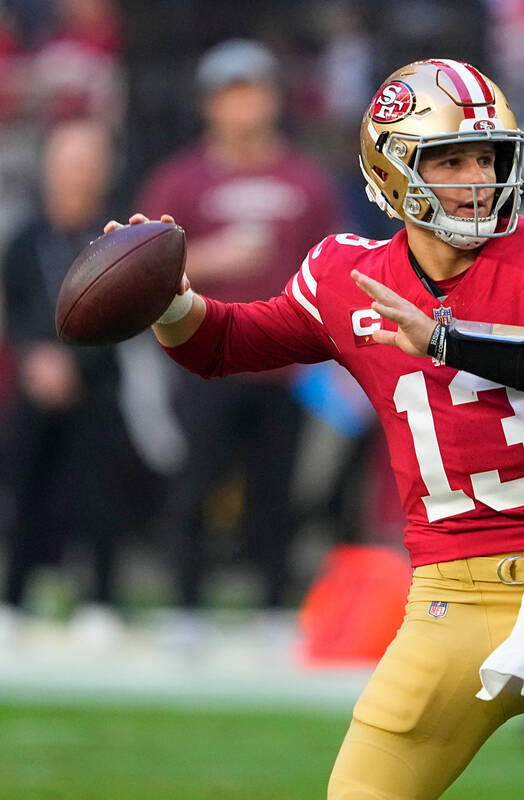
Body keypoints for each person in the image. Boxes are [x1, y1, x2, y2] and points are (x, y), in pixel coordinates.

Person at [110, 58, 524, 800]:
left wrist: (442, 338)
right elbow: (224, 344)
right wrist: (168, 300)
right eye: (451, 159)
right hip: (448, 603)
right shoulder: (347, 275)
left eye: (487, 157)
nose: (476, 177)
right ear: (394, 170)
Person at [136, 39, 342, 616]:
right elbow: (135, 269)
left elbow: (336, 266)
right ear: (210, 105)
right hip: (204, 356)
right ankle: (185, 606)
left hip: (285, 364)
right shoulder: (178, 181)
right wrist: (208, 260)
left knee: (279, 492)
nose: (244, 107)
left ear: (274, 99)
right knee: (195, 486)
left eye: (253, 92)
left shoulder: (306, 181)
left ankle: (276, 605)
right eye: (232, 94)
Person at [0, 118, 132, 642]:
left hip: (97, 382)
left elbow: (128, 313)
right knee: (24, 489)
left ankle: (100, 600)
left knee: (100, 493)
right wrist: (37, 360)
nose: (78, 174)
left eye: (88, 162)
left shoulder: (121, 237)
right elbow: (17, 309)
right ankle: (14, 598)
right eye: (69, 161)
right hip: (33, 383)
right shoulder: (25, 238)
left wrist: (74, 365)